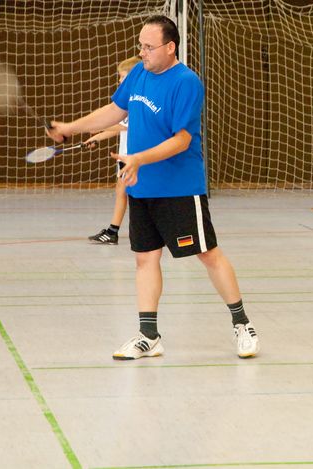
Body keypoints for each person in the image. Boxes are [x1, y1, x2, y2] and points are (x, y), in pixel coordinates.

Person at [47, 15, 259, 360]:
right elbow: (115, 110)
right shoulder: (138, 74)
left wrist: (139, 159)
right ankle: (148, 336)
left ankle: (242, 324)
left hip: (179, 188)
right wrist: (70, 127)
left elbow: (182, 140)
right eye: (140, 46)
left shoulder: (186, 82)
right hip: (142, 187)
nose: (142, 52)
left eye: (149, 47)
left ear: (170, 47)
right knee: (145, 259)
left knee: (207, 253)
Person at [87, 56, 141, 245]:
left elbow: (122, 126)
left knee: (129, 193)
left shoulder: (137, 101)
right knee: (123, 191)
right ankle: (113, 231)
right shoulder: (127, 100)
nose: (119, 80)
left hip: (133, 157)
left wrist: (97, 127)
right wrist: (96, 137)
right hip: (126, 156)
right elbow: (120, 126)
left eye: (122, 76)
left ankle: (113, 231)